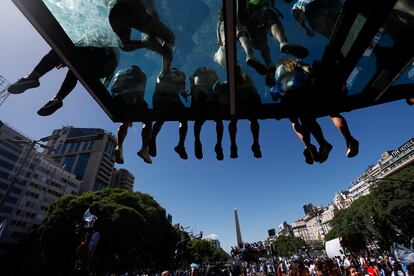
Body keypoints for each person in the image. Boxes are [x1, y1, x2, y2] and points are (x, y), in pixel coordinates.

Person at [270, 58, 359, 164]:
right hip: (312, 93)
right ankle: (349, 139)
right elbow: (310, 71)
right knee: (331, 113)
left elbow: (276, 92)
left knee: (297, 120)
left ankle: (311, 145)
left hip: (294, 98)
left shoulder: (278, 71)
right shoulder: (297, 63)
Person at [7, 47, 119, 116]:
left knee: (59, 50)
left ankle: (33, 77)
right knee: (76, 70)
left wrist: (63, 56)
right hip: (102, 68)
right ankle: (57, 99)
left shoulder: (104, 33)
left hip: (101, 57)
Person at [108, 0, 175, 80]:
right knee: (170, 37)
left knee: (124, 45)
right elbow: (150, 8)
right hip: (130, 8)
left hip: (114, 11)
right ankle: (164, 68)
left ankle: (149, 44)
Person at [237, 0, 309, 73]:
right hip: (259, 8)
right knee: (271, 21)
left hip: (247, 19)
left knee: (262, 44)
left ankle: (267, 63)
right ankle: (283, 42)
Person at [215, 8, 269, 75]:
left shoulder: (222, 10)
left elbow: (218, 24)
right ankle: (250, 55)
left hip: (224, 25)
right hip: (235, 19)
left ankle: (235, 65)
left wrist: (219, 39)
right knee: (241, 35)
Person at [150, 68, 188, 159]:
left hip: (158, 98)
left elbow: (182, 90)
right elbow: (182, 90)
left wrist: (183, 93)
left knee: (161, 118)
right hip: (169, 97)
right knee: (183, 118)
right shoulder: (179, 74)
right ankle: (180, 145)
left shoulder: (163, 72)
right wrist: (184, 94)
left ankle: (152, 138)